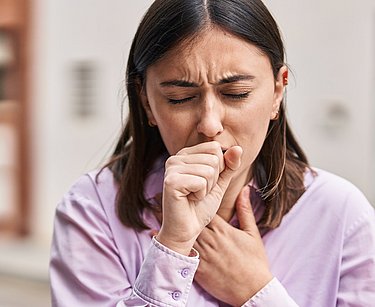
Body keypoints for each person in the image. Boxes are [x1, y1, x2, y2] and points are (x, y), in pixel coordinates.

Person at [49, 0, 375, 306]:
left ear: (278, 90)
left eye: (236, 93)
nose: (209, 123)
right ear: (146, 101)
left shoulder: (341, 214)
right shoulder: (94, 208)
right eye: (179, 97)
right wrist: (172, 248)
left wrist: (256, 291)